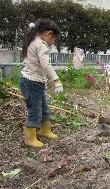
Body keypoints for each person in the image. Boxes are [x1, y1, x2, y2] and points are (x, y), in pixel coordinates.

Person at [20, 19, 63, 149]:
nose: (53, 42)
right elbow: (46, 64)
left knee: (43, 108)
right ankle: (30, 138)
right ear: (48, 34)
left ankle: (45, 130)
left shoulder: (33, 41)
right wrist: (56, 80)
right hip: (31, 82)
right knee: (35, 110)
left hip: (34, 82)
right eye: (54, 39)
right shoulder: (41, 45)